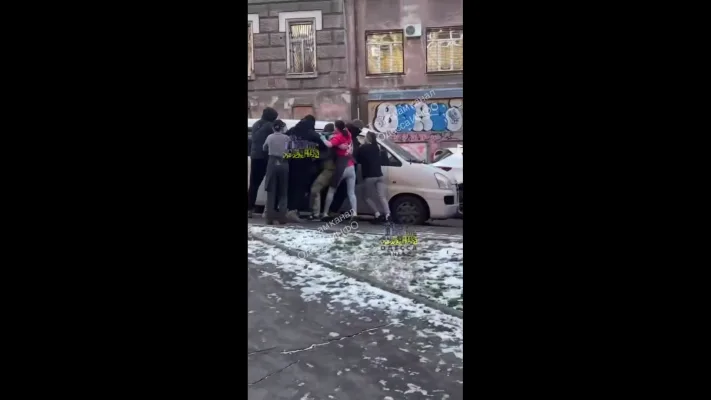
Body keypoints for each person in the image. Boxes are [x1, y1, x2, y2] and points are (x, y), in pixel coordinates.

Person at [285, 115, 322, 222]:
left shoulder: (292, 130)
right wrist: (314, 154)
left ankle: (288, 210)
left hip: (290, 162)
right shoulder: (312, 133)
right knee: (300, 188)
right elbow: (322, 146)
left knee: (290, 187)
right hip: (304, 164)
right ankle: (293, 211)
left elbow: (285, 142)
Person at [320, 120, 357, 221]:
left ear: (336, 127)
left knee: (331, 190)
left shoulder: (338, 137)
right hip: (351, 166)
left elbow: (329, 145)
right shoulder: (348, 133)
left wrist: (323, 138)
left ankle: (325, 213)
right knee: (351, 192)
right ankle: (354, 213)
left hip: (341, 167)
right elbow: (342, 140)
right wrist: (334, 138)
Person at [248, 107, 279, 218]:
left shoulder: (256, 124)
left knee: (253, 185)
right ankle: (270, 210)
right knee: (272, 184)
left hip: (255, 157)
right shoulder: (270, 126)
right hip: (267, 158)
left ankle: (249, 209)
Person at [355, 130, 391, 223]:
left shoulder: (363, 148)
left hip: (369, 176)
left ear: (367, 138)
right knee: (382, 196)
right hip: (379, 175)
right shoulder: (376, 147)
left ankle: (377, 214)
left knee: (366, 197)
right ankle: (388, 215)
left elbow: (357, 158)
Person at [262, 120, 291, 224]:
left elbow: (264, 148)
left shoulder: (269, 137)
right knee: (283, 191)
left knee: (271, 191)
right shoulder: (287, 138)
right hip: (284, 163)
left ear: (273, 128)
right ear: (282, 128)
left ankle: (269, 218)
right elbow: (290, 150)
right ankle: (282, 217)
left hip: (272, 163)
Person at [307, 123, 336, 220]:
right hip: (327, 169)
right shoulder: (331, 139)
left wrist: (314, 155)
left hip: (329, 169)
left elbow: (327, 154)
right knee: (317, 189)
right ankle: (317, 212)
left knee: (315, 189)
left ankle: (315, 213)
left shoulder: (331, 141)